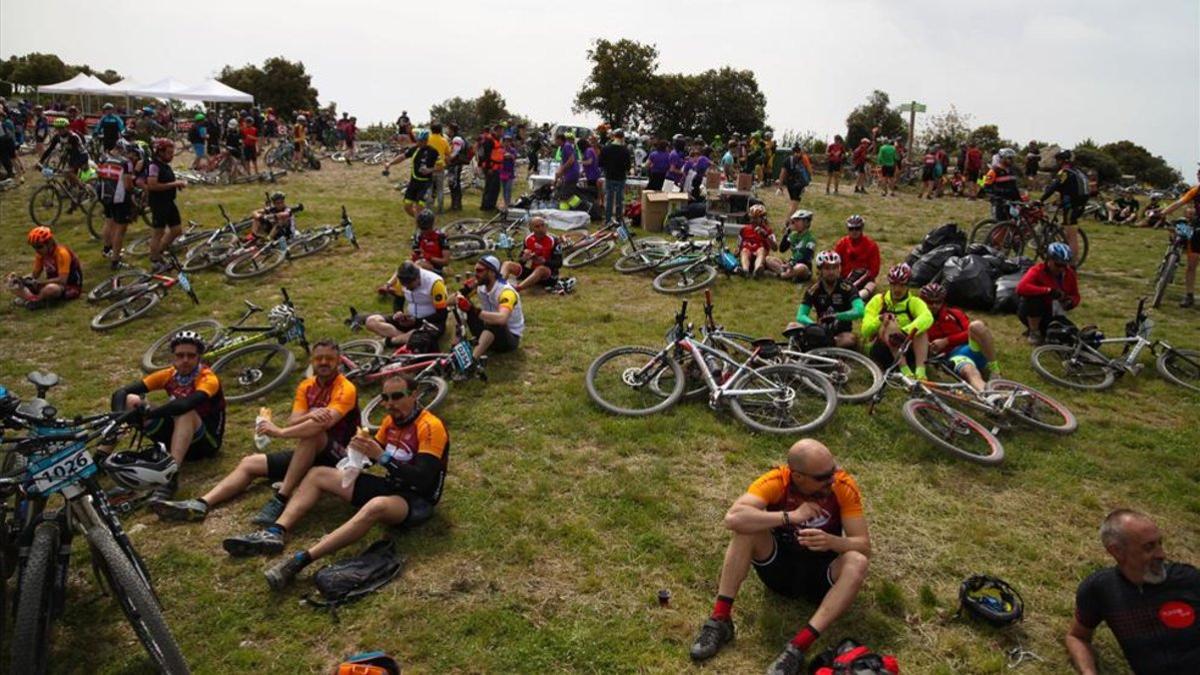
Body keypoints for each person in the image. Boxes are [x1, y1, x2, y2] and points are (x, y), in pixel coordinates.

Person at [688, 439, 870, 675]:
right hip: (780, 569)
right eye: (822, 477)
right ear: (798, 476)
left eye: (832, 471)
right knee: (745, 531)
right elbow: (733, 518)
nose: (831, 480)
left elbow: (864, 545)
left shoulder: (843, 486)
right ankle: (720, 620)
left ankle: (798, 647)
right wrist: (790, 516)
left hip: (823, 578)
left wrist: (833, 541)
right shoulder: (777, 481)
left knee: (858, 561)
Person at [253, 375, 450, 587]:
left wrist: (382, 457)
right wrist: (357, 455)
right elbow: (369, 455)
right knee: (319, 473)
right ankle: (275, 532)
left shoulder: (430, 426)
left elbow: (422, 479)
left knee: (375, 506)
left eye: (396, 397)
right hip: (392, 486)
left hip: (417, 500)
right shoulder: (389, 422)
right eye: (385, 397)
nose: (389, 403)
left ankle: (301, 560)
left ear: (414, 395)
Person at [152, 340, 361, 528]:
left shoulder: (345, 388)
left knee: (312, 435)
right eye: (319, 358)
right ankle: (201, 503)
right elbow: (294, 419)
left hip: (339, 456)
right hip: (308, 453)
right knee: (250, 463)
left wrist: (281, 432)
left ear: (338, 361)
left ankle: (280, 498)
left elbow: (322, 425)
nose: (324, 362)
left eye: (329, 359)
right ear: (312, 360)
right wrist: (312, 414)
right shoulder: (306, 386)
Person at [1065, 509, 1200, 675]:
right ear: (1116, 551)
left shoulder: (1188, 579)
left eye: (1160, 543)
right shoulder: (1101, 589)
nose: (1161, 554)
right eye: (1149, 547)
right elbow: (1077, 637)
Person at [109, 331, 225, 500]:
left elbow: (184, 405)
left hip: (206, 441)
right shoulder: (170, 374)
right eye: (180, 355)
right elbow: (121, 392)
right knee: (130, 400)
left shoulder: (208, 378)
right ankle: (101, 457)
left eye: (191, 355)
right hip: (179, 435)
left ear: (199, 357)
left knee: (185, 413)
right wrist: (118, 418)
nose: (185, 360)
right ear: (173, 357)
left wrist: (150, 414)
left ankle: (170, 476)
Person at [919, 282, 1000, 391]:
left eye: (938, 302)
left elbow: (969, 332)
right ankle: (989, 396)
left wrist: (946, 341)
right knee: (970, 372)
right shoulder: (920, 321)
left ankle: (995, 371)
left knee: (977, 326)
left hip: (971, 348)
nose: (934, 305)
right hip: (954, 357)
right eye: (930, 302)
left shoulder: (954, 314)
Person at [861, 263, 933, 379]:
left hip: (906, 348)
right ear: (890, 284)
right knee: (890, 323)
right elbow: (865, 331)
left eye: (902, 285)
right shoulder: (878, 300)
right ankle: (905, 371)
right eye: (894, 284)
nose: (897, 289)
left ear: (908, 285)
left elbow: (927, 317)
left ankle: (921, 372)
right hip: (882, 350)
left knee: (921, 331)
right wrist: (880, 320)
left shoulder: (914, 302)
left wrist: (904, 333)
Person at [787, 251, 864, 349]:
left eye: (835, 268)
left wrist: (837, 316)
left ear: (839, 269)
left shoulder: (848, 287)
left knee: (850, 339)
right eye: (827, 268)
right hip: (819, 330)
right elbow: (801, 315)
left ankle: (816, 345)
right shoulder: (813, 290)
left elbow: (860, 311)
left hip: (840, 333)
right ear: (820, 270)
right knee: (792, 326)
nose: (831, 272)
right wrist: (814, 325)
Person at [366, 261, 448, 353]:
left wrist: (416, 321)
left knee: (422, 336)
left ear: (417, 278)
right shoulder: (402, 281)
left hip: (431, 322)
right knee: (371, 321)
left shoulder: (435, 283)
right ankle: (407, 338)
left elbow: (442, 315)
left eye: (410, 286)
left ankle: (389, 341)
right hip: (409, 320)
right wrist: (398, 312)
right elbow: (398, 299)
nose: (407, 289)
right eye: (405, 286)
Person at [456, 255, 525, 358]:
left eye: (479, 271)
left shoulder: (506, 292)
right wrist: (461, 292)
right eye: (475, 271)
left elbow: (502, 319)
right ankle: (456, 345)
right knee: (461, 303)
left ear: (491, 272)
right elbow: (450, 301)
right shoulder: (481, 286)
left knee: (494, 321)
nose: (476, 274)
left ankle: (472, 360)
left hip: (508, 338)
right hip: (487, 330)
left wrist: (473, 310)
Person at [1150, 169, 1200, 306]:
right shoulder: (1195, 191)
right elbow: (1179, 203)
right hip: (1197, 229)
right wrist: (1163, 213)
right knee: (1192, 265)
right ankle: (1189, 295)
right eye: (1198, 174)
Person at [1016, 242, 1079, 344]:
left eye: (1064, 265)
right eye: (1058, 265)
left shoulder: (1069, 274)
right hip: (1032, 310)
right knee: (1034, 300)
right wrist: (1048, 291)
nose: (1061, 269)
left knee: (1072, 334)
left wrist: (1071, 302)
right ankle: (1034, 332)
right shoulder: (1037, 270)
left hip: (1054, 313)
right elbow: (1021, 288)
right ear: (1049, 260)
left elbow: (1075, 295)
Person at [7, 227, 82, 309]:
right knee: (12, 284)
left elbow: (62, 280)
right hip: (50, 284)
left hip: (69, 286)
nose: (37, 250)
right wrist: (21, 279)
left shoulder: (62, 254)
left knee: (51, 289)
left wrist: (40, 283)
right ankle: (35, 299)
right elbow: (35, 274)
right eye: (34, 247)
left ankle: (33, 299)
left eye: (39, 246)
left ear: (49, 243)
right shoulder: (41, 254)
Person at [1040, 150, 1089, 265]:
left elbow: (1054, 186)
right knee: (1068, 234)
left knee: (1072, 237)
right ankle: (1065, 259)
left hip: (1071, 206)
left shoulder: (1065, 172)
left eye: (1057, 160)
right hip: (1079, 205)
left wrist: (1040, 200)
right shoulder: (1078, 172)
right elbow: (1067, 188)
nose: (1056, 162)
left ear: (1061, 160)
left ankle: (1072, 264)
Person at [96, 140, 137, 269]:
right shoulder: (126, 163)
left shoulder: (103, 158)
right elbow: (127, 185)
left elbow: (99, 175)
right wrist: (135, 191)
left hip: (104, 195)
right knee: (120, 228)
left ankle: (107, 249)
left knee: (109, 221)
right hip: (120, 198)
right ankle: (115, 260)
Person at [501, 216, 569, 293]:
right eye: (537, 227)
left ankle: (517, 289)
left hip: (547, 275)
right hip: (529, 270)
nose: (541, 229)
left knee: (540, 269)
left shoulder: (553, 240)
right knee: (507, 264)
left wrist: (544, 262)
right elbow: (520, 261)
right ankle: (499, 285)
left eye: (542, 225)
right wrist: (524, 258)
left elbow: (559, 263)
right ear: (531, 229)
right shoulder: (528, 239)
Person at [833, 215, 881, 300]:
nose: (854, 231)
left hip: (864, 280)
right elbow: (834, 262)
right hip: (844, 279)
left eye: (857, 228)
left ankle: (856, 299)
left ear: (862, 228)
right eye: (851, 229)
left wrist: (860, 279)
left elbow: (874, 270)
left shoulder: (871, 245)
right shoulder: (842, 243)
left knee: (871, 285)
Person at [37, 117, 89, 191]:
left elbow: (75, 152)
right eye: (57, 128)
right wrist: (40, 161)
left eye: (62, 128)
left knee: (69, 172)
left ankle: (84, 187)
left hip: (81, 155)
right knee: (69, 175)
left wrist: (69, 167)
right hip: (72, 155)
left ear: (67, 128)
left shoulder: (73, 137)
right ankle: (74, 189)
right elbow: (49, 149)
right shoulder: (57, 137)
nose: (60, 130)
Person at [397, 129, 437, 222]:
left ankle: (419, 231)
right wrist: (390, 163)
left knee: (419, 208)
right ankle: (423, 221)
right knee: (407, 207)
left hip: (425, 183)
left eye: (422, 141)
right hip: (413, 182)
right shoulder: (415, 149)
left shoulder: (433, 151)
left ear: (426, 141)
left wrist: (429, 170)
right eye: (418, 140)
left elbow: (440, 167)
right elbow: (402, 157)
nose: (419, 143)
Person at [768, 210, 818, 281]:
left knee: (801, 268)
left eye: (797, 221)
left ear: (806, 222)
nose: (794, 223)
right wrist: (787, 233)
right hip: (790, 265)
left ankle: (782, 275)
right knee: (769, 259)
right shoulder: (793, 236)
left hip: (803, 266)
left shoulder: (810, 239)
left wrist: (791, 263)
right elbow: (782, 249)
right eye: (794, 221)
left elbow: (807, 255)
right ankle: (787, 274)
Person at [599, 129, 633, 224]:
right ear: (622, 138)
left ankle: (608, 220)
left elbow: (600, 163)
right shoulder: (625, 150)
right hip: (620, 177)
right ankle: (618, 219)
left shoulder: (606, 148)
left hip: (609, 176)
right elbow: (628, 167)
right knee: (619, 200)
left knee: (609, 199)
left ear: (614, 137)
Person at [737, 204, 776, 278]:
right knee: (745, 250)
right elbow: (739, 247)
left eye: (755, 218)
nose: (753, 221)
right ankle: (745, 271)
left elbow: (775, 248)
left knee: (761, 250)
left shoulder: (768, 231)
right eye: (751, 218)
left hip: (761, 258)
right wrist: (737, 251)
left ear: (762, 218)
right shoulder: (744, 230)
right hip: (747, 256)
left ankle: (757, 270)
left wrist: (766, 236)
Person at [405, 208, 449, 273]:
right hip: (420, 263)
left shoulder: (441, 237)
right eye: (422, 229)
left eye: (426, 229)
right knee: (406, 264)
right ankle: (389, 283)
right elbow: (415, 253)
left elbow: (445, 261)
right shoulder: (419, 236)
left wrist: (429, 257)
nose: (424, 232)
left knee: (419, 264)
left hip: (435, 268)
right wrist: (415, 256)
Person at [778, 145, 813, 213]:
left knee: (793, 203)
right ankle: (788, 221)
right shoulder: (803, 159)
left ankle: (791, 220)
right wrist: (810, 178)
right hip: (798, 185)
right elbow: (809, 169)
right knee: (794, 205)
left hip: (790, 184)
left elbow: (782, 174)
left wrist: (780, 186)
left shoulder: (787, 159)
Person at [427, 122, 451, 212]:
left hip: (429, 168)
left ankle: (428, 208)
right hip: (440, 168)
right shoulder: (444, 140)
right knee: (440, 189)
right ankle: (441, 209)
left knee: (429, 188)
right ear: (440, 130)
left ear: (431, 129)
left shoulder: (427, 139)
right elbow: (448, 154)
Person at [553, 132, 580, 210]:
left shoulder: (567, 146)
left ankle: (582, 206)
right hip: (568, 174)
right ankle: (564, 211)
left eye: (556, 140)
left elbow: (571, 160)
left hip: (572, 173)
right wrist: (559, 174)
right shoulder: (562, 148)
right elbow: (563, 162)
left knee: (566, 194)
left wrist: (562, 170)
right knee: (563, 194)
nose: (555, 142)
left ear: (560, 139)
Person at [446, 123, 467, 211]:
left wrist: (448, 159)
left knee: (454, 184)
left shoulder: (457, 139)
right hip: (455, 164)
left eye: (448, 129)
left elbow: (455, 152)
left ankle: (456, 205)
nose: (447, 131)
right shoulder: (457, 138)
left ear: (452, 130)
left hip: (455, 164)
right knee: (454, 184)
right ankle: (455, 204)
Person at [499, 133, 518, 211]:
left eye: (509, 141)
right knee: (504, 188)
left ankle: (508, 203)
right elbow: (500, 158)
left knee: (508, 188)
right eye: (505, 141)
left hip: (510, 172)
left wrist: (509, 156)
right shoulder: (500, 150)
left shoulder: (513, 150)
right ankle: (505, 202)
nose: (507, 143)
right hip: (502, 171)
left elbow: (514, 157)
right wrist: (505, 156)